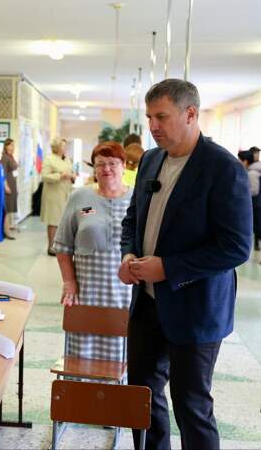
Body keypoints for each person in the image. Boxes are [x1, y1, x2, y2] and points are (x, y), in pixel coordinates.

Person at [118, 79, 252, 450]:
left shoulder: (222, 168)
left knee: (191, 405)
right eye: (149, 117)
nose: (152, 126)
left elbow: (236, 247)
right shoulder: (150, 159)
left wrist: (168, 268)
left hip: (196, 309)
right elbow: (133, 218)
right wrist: (128, 255)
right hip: (146, 304)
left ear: (190, 114)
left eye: (161, 117)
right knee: (142, 398)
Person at [54, 142, 132, 361]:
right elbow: (63, 246)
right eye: (100, 164)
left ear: (123, 165)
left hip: (124, 293)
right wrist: (69, 282)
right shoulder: (79, 198)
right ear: (94, 169)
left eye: (112, 163)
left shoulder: (138, 199)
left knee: (122, 354)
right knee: (82, 353)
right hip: (86, 290)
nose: (106, 169)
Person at [41, 137, 75, 255]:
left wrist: (72, 176)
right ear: (57, 147)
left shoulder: (66, 159)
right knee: (53, 221)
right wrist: (60, 175)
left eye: (66, 145)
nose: (65, 148)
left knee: (62, 221)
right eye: (63, 145)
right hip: (53, 195)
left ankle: (58, 245)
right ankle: (51, 247)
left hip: (65, 193)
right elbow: (44, 176)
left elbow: (69, 172)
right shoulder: (49, 159)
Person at [238, 150, 261, 251]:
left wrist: (241, 194)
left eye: (240, 160)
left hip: (256, 204)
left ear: (245, 161)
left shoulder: (251, 173)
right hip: (257, 204)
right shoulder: (255, 171)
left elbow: (254, 190)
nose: (238, 162)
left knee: (258, 227)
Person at [1, 138, 18, 239]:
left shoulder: (11, 156)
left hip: (12, 184)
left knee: (9, 209)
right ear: (6, 146)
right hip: (7, 185)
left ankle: (6, 229)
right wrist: (5, 185)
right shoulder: (5, 157)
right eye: (11, 145)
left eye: (13, 145)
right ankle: (6, 231)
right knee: (6, 210)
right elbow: (2, 172)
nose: (13, 147)